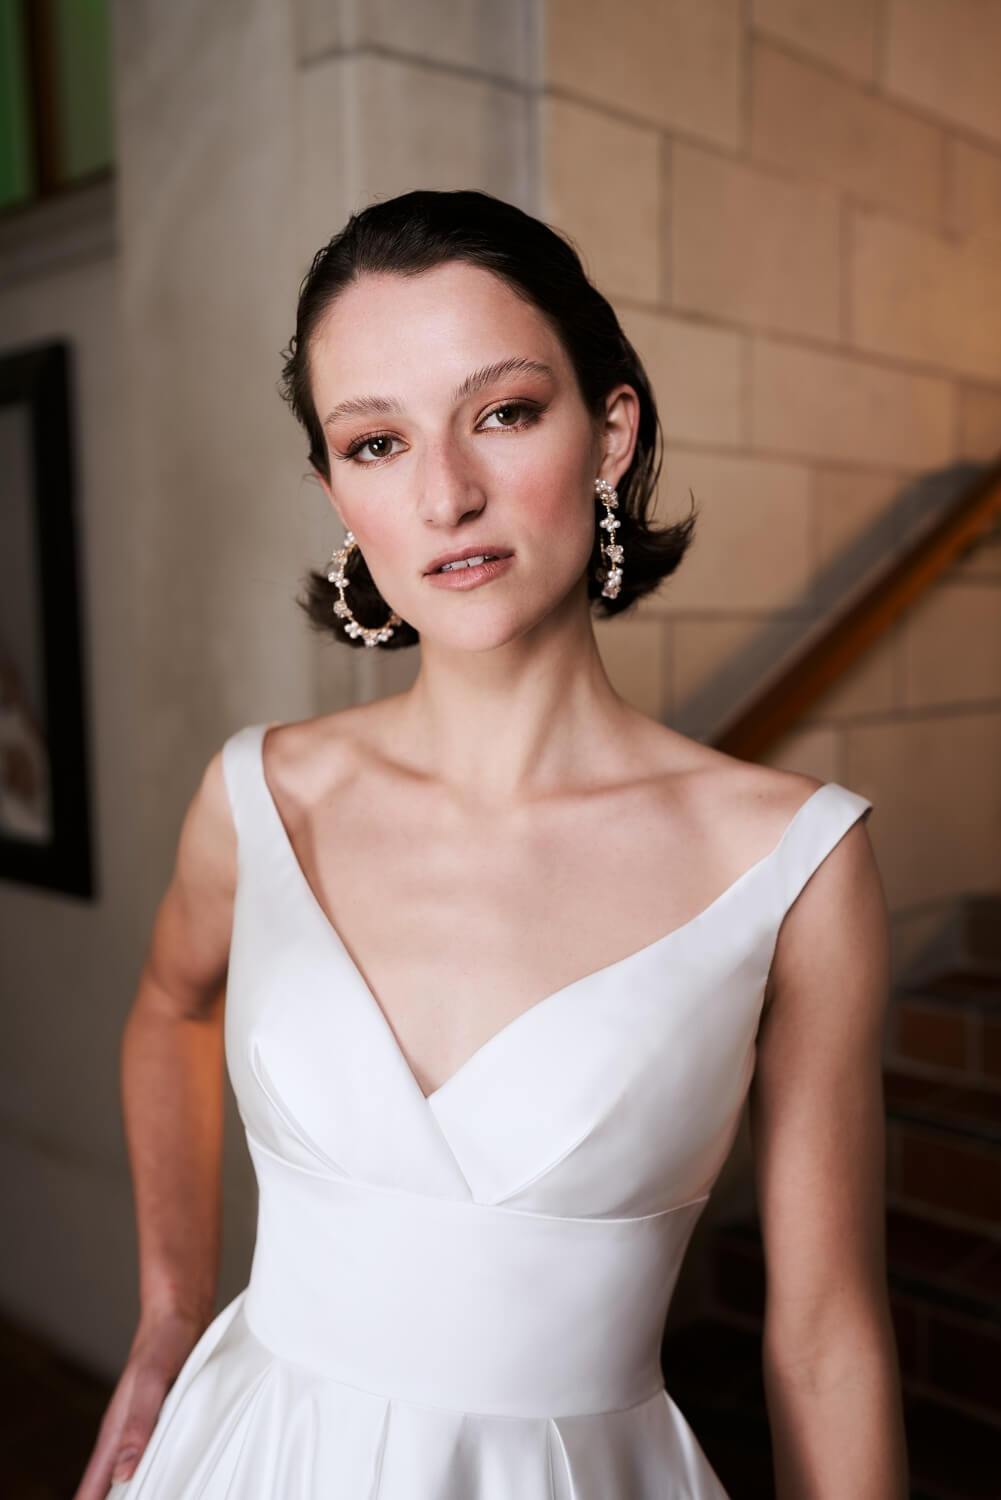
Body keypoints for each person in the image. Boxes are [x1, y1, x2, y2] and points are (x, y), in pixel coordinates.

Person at [77, 188, 908, 1500]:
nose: (446, 495)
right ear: (335, 492)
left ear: (608, 433)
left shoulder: (789, 864)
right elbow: (169, 1010)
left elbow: (821, 1343)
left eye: (504, 413)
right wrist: (171, 1313)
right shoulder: (261, 797)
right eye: (375, 443)